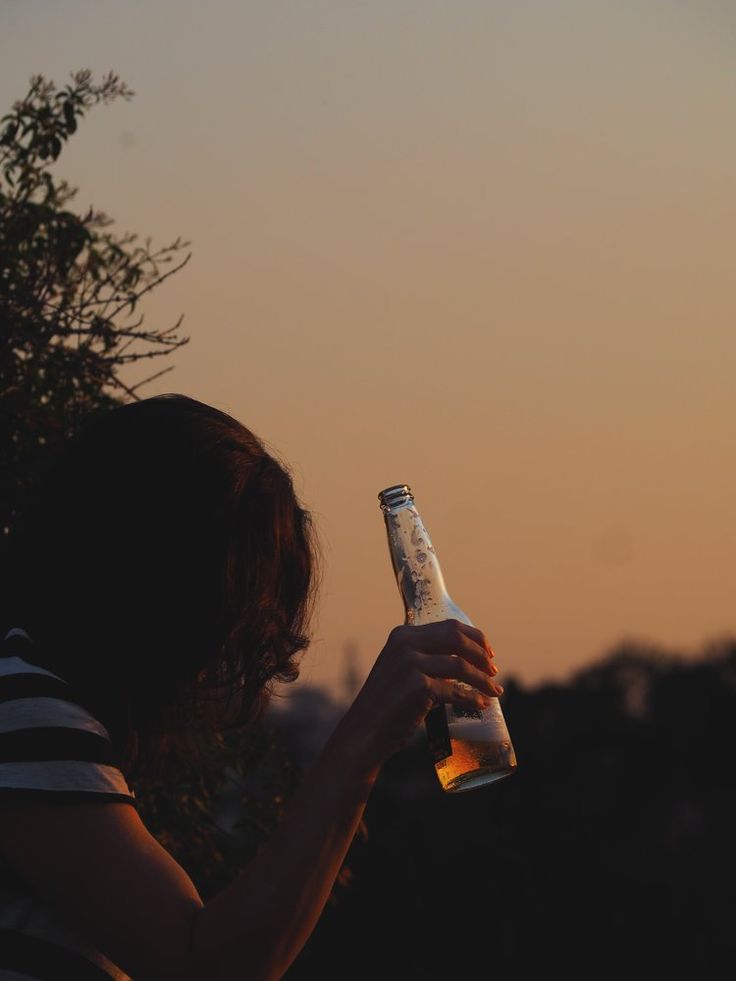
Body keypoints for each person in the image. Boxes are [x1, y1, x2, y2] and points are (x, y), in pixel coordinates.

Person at [0, 393, 502, 981]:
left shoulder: (41, 713)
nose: (224, 660)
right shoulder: (26, 712)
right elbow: (206, 966)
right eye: (236, 612)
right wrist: (361, 741)